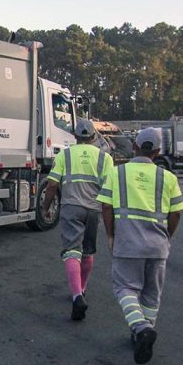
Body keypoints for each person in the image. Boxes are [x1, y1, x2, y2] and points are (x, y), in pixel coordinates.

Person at [96, 128, 183, 364]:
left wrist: (110, 235)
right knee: (151, 294)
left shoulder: (117, 174)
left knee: (125, 289)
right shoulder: (168, 177)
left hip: (127, 244)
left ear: (134, 146)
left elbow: (106, 207)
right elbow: (176, 213)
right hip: (158, 246)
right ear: (157, 152)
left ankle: (140, 328)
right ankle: (142, 333)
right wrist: (167, 236)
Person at [42, 118, 114, 321]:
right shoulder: (104, 158)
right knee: (88, 250)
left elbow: (52, 185)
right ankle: (82, 289)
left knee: (71, 251)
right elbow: (110, 191)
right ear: (93, 137)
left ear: (75, 137)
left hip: (71, 208)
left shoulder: (65, 155)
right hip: (94, 209)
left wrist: (46, 208)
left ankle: (76, 296)